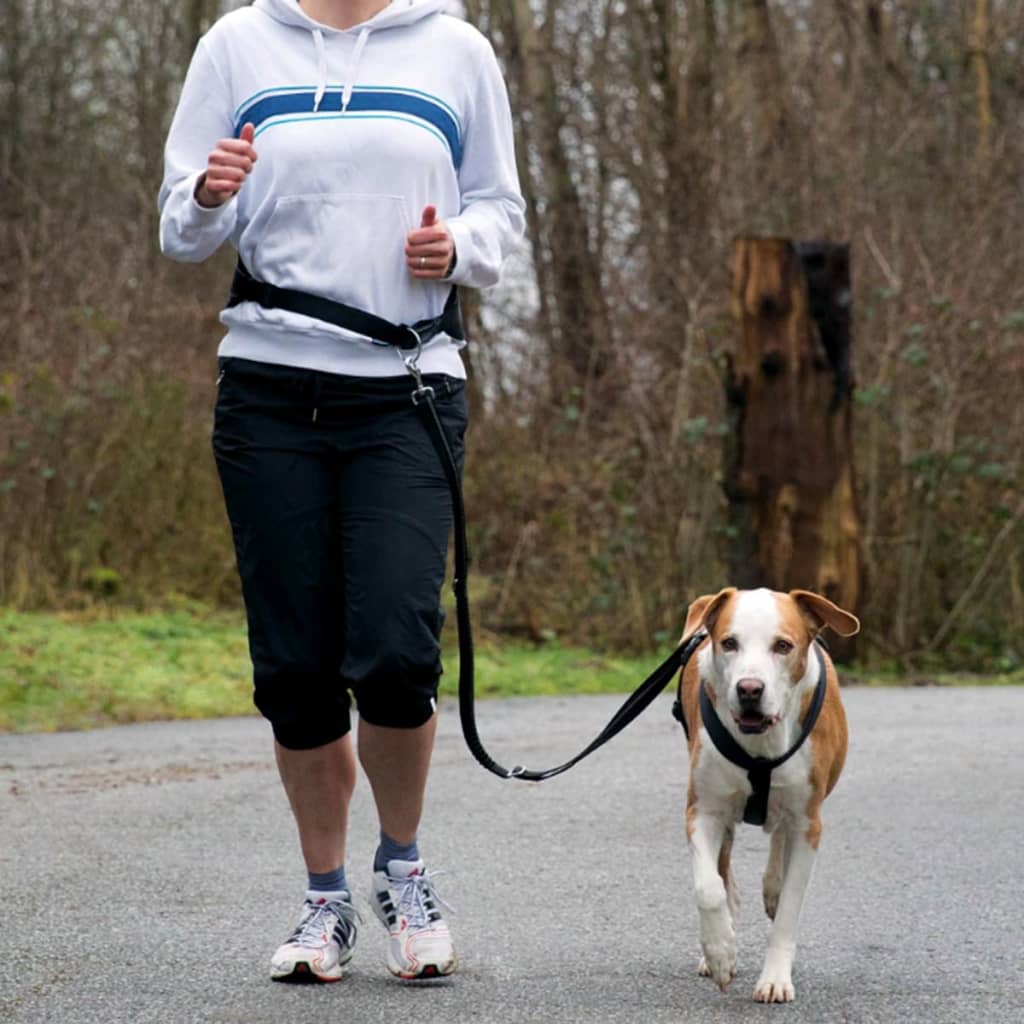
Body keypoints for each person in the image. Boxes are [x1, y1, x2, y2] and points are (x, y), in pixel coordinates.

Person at [158, 0, 524, 984]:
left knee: (398, 651)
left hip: (406, 390)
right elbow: (182, 227)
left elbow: (500, 213)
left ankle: (400, 867)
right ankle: (325, 901)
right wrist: (205, 193)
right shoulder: (237, 44)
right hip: (270, 393)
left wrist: (459, 250)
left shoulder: (455, 48)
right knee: (295, 669)